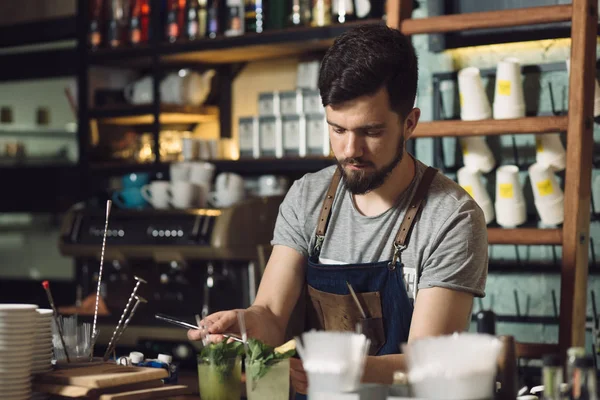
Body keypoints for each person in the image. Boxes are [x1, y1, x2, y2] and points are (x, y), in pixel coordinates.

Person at [188, 23, 488, 397]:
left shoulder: (452, 218)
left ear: (409, 123)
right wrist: (244, 324)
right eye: (338, 129)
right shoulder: (307, 197)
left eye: (371, 132)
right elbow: (271, 313)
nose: (350, 150)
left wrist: (342, 372)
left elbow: (428, 364)